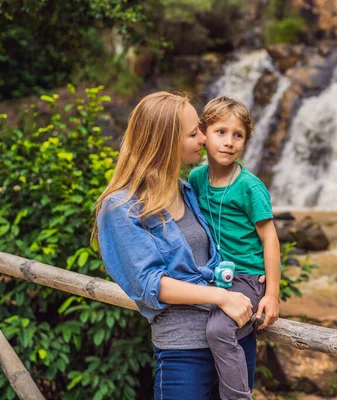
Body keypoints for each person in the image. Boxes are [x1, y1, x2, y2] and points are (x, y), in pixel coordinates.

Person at [91, 92, 257, 400]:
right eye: (194, 132)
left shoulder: (187, 190)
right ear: (167, 141)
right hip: (186, 351)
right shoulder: (121, 208)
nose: (205, 137)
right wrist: (221, 296)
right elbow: (150, 284)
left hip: (235, 336)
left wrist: (260, 282)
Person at [188, 96, 281, 400]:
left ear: (246, 141)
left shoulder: (250, 187)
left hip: (247, 277)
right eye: (220, 132)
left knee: (218, 330)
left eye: (237, 135)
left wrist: (271, 295)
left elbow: (270, 238)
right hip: (214, 275)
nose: (229, 142)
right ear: (203, 134)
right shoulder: (196, 178)